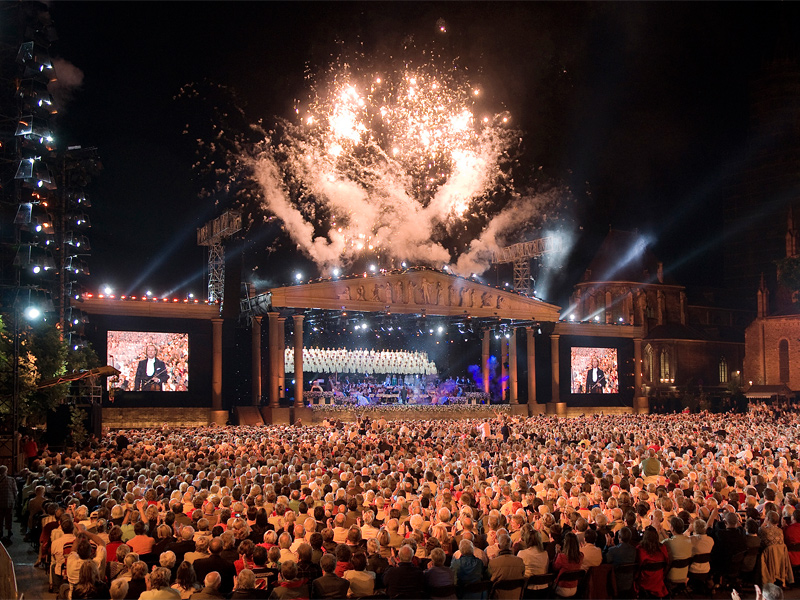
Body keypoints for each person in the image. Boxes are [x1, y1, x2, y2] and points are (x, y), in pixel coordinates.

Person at [0, 465, 17, 542]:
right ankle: (9, 531)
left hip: (0, 502)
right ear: (6, 471)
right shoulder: (11, 480)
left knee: (0, 517)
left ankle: (0, 531)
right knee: (8, 517)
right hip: (9, 501)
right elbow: (14, 490)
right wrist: (15, 498)